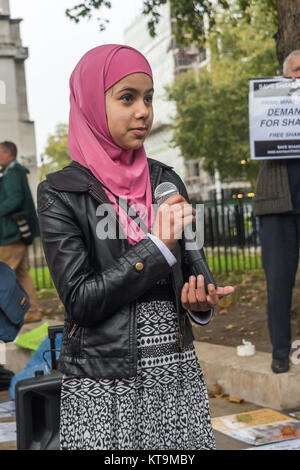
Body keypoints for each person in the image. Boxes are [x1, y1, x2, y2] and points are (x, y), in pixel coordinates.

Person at [37, 44, 234, 451]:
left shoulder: (166, 180)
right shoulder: (61, 193)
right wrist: (155, 246)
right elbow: (80, 301)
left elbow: (196, 272)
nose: (143, 111)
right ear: (92, 102)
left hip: (175, 374)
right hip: (104, 384)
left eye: (148, 98)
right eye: (127, 97)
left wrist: (201, 304)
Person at [253, 49, 300, 374]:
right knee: (279, 284)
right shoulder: (266, 102)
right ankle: (280, 353)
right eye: (296, 70)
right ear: (284, 74)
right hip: (277, 207)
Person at [0, 141, 41, 323]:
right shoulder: (13, 172)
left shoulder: (12, 174)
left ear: (8, 153)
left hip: (11, 234)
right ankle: (32, 312)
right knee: (22, 274)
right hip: (17, 233)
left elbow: (14, 199)